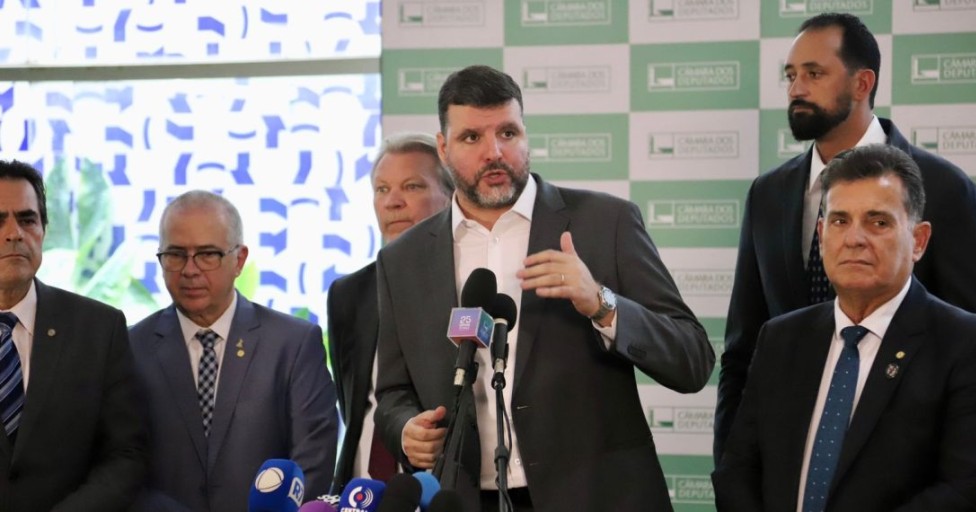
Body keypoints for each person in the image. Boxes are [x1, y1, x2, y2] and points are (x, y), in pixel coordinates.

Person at [373, 65, 715, 512]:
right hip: (466, 499)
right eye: (472, 138)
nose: (494, 152)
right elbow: (392, 393)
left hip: (596, 498)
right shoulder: (403, 259)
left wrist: (602, 304)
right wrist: (406, 431)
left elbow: (693, 360)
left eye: (508, 133)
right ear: (443, 147)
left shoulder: (604, 223)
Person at [714, 11, 976, 464]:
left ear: (862, 84)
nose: (796, 89)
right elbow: (743, 351)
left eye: (814, 73)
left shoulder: (943, 189)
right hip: (788, 467)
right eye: (791, 75)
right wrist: (730, 469)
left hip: (908, 469)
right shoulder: (768, 195)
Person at [711, 144, 976, 511]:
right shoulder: (780, 339)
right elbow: (738, 471)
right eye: (840, 221)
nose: (854, 238)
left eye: (879, 222)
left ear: (918, 241)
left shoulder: (975, 349)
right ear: (822, 235)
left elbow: (971, 494)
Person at [129, 190, 338, 511]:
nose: (190, 270)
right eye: (175, 254)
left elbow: (313, 462)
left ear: (239, 259)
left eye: (207, 254)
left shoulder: (292, 344)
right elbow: (120, 465)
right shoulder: (132, 347)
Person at [0, 159, 147, 511]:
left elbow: (126, 454)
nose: (14, 233)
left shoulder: (99, 329)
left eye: (27, 219)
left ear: (43, 230)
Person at [328, 132, 453, 488]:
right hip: (357, 493)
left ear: (451, 198)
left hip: (440, 489)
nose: (392, 202)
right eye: (382, 189)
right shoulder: (348, 294)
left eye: (412, 186)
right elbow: (352, 405)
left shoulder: (469, 285)